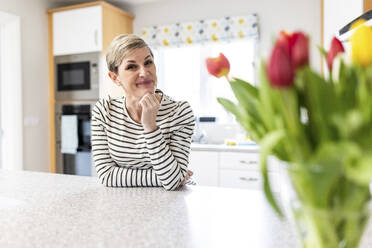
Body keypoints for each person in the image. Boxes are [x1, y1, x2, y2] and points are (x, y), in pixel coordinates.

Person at [91, 34, 195, 191]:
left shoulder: (179, 112)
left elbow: (173, 183)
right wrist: (167, 176)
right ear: (115, 78)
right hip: (122, 204)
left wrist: (150, 126)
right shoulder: (104, 111)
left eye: (148, 63)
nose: (144, 72)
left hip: (172, 204)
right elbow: (106, 175)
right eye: (132, 67)